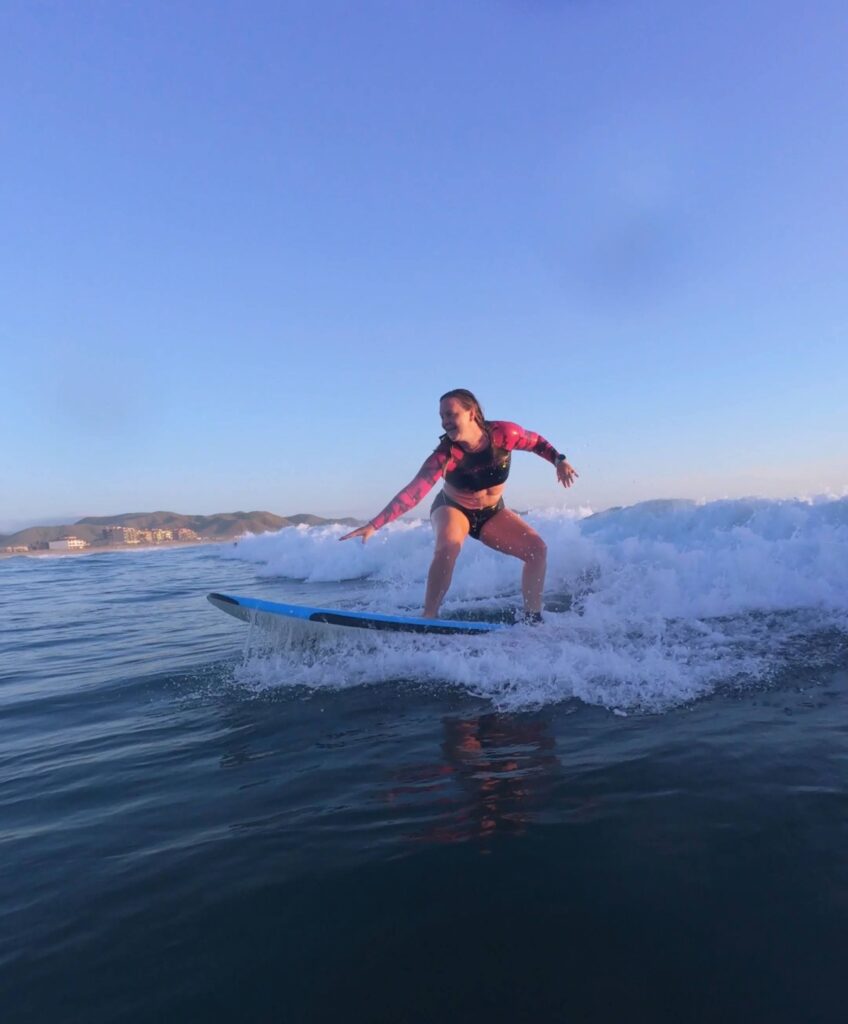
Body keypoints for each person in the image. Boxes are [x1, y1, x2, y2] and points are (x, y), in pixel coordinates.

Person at [340, 388, 578, 621]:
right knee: (448, 547)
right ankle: (429, 616)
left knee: (537, 549)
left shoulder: (504, 434)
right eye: (441, 416)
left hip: (492, 513)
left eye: (450, 414)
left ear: (471, 413)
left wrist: (559, 460)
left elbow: (535, 442)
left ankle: (532, 619)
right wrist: (374, 525)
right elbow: (413, 493)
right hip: (453, 507)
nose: (445, 422)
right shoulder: (446, 455)